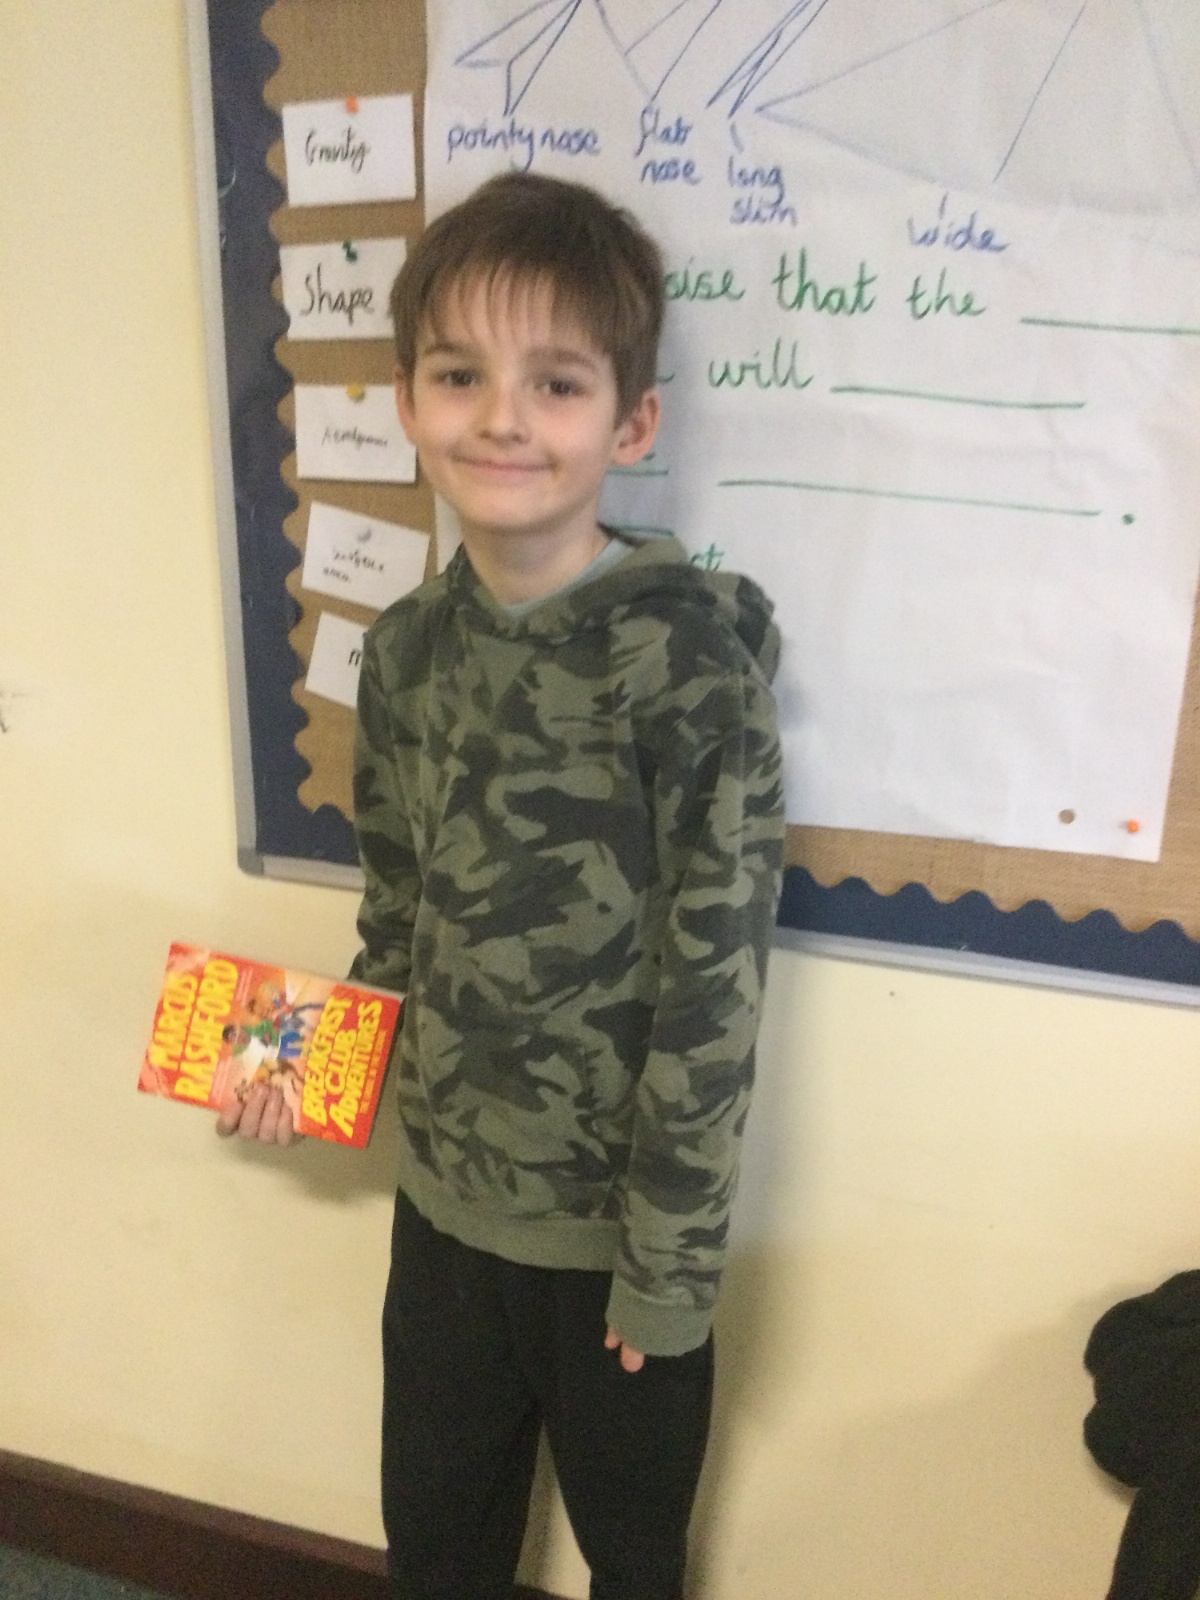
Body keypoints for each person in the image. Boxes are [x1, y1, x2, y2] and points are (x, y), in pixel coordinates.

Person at [223, 171, 786, 1600]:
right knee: (440, 1551)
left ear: (629, 424)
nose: (502, 419)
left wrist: (667, 1271)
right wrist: (298, 1068)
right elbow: (400, 920)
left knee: (633, 1564)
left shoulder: (688, 666)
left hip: (618, 1250)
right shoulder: (407, 652)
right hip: (446, 1219)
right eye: (460, 374)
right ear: (408, 404)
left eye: (557, 383)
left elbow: (714, 994)